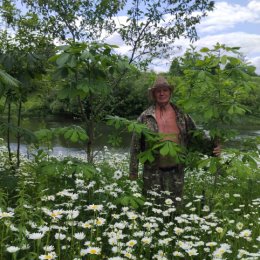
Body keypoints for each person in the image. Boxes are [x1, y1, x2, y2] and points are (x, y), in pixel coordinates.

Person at [129, 75, 221, 203]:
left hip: (176, 172)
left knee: (175, 209)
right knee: (151, 208)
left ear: (170, 92)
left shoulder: (182, 115)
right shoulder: (144, 117)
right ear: (154, 94)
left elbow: (197, 136)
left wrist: (213, 148)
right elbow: (135, 146)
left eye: (165, 90)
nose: (162, 93)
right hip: (152, 173)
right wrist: (133, 172)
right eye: (158, 91)